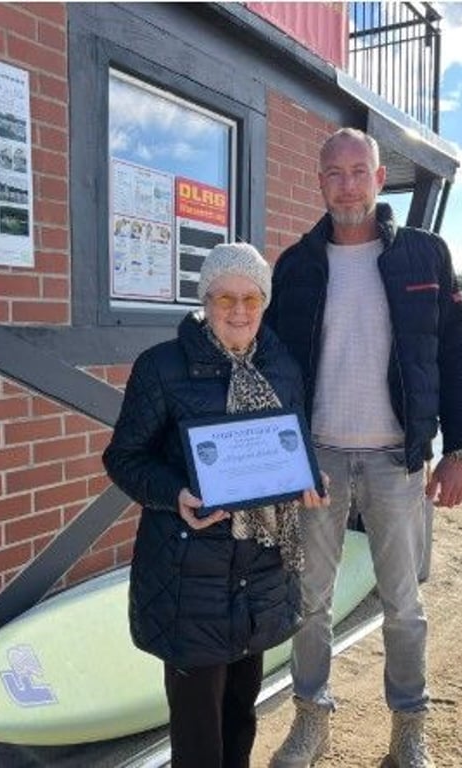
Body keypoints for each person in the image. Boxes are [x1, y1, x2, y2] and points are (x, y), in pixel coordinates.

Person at [263, 127, 462, 768]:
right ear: (320, 181)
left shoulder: (425, 256)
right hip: (318, 461)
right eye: (335, 173)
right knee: (309, 602)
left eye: (360, 171)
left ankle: (409, 731)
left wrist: (458, 450)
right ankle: (310, 723)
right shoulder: (296, 265)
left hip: (397, 460)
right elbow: (275, 370)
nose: (347, 184)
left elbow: (453, 354)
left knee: (404, 606)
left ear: (380, 179)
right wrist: (283, 455)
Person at [102, 243, 328, 768]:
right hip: (190, 579)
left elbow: (293, 441)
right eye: (224, 296)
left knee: (241, 717)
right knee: (198, 734)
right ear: (205, 300)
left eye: (251, 297)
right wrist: (174, 493)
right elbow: (124, 458)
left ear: (265, 302)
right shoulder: (161, 368)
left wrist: (307, 477)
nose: (239, 310)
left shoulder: (282, 367)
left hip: (261, 574)